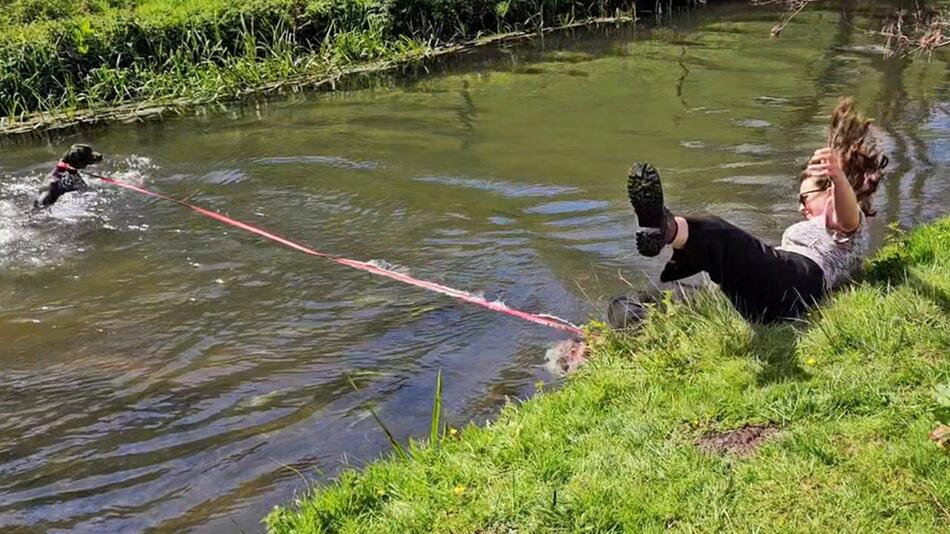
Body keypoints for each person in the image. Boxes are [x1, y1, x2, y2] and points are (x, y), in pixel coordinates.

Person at [610, 98, 888, 327]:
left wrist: (838, 177)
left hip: (798, 282)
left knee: (718, 233)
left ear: (829, 194)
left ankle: (663, 226)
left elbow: (847, 216)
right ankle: (624, 327)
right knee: (647, 300)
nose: (800, 206)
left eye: (805, 198)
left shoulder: (846, 224)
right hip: (776, 285)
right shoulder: (830, 223)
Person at [33, 144, 103, 210]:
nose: (97, 155)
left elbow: (84, 188)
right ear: (79, 162)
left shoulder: (70, 172)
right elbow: (40, 205)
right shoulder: (53, 183)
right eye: (88, 155)